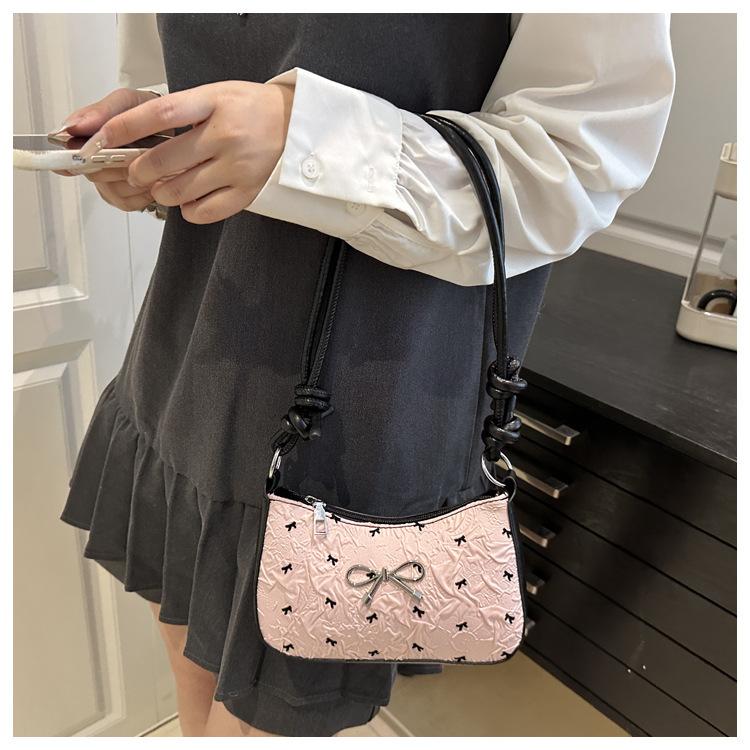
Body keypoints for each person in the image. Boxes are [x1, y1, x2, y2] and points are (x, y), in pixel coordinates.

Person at [58, 13, 674, 737]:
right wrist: (159, 144)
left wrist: (309, 141)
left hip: (360, 410)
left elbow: (578, 160)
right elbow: (195, 75)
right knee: (194, 692)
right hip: (186, 358)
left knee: (258, 720)